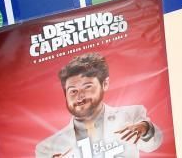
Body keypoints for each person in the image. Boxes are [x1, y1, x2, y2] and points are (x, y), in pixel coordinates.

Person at [35, 53, 163, 158]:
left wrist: (145, 128)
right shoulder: (47, 148)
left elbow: (153, 144)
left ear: (105, 84)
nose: (80, 96)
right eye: (73, 91)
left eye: (87, 87)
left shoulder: (131, 114)